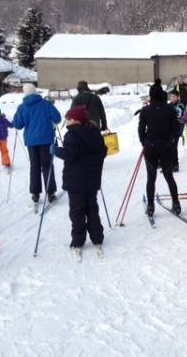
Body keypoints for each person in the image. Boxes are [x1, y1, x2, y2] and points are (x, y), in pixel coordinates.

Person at [54, 105, 107, 259]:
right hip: (92, 179)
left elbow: (70, 155)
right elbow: (103, 152)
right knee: (91, 208)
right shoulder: (95, 133)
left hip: (75, 181)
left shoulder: (72, 135)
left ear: (75, 120)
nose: (67, 122)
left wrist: (56, 150)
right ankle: (97, 237)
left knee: (77, 210)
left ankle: (78, 240)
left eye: (68, 119)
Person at [13, 83, 62, 204]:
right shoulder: (46, 104)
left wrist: (17, 114)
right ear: (35, 92)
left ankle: (35, 193)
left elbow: (18, 125)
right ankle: (50, 192)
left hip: (31, 141)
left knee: (34, 166)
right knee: (47, 165)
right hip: (46, 140)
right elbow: (58, 118)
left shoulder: (22, 107)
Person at [138, 82, 181, 216]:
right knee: (169, 176)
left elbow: (141, 130)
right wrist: (171, 140)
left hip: (150, 147)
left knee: (151, 177)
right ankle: (176, 204)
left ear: (151, 96)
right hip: (166, 147)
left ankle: (150, 206)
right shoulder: (170, 109)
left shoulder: (145, 110)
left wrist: (144, 142)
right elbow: (176, 129)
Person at [169, 89, 185, 172]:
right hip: (170, 130)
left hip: (176, 129)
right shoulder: (170, 105)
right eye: (171, 96)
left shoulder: (180, 106)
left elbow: (178, 117)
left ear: (178, 97)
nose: (172, 98)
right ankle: (169, 164)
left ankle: (175, 165)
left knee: (173, 147)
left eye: (174, 96)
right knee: (169, 147)